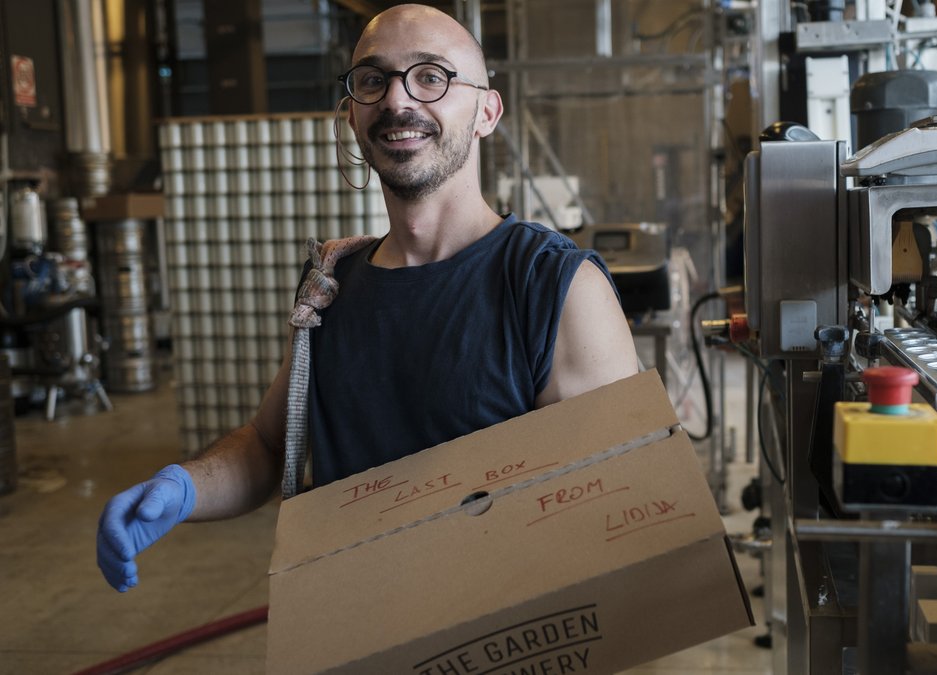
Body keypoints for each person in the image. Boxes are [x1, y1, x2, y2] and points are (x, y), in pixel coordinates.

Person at [97, 4, 638, 592]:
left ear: (487, 111)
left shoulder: (555, 287)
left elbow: (616, 510)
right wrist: (183, 487)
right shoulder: (330, 286)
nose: (398, 101)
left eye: (431, 76)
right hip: (353, 625)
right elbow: (268, 445)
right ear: (353, 114)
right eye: (373, 80)